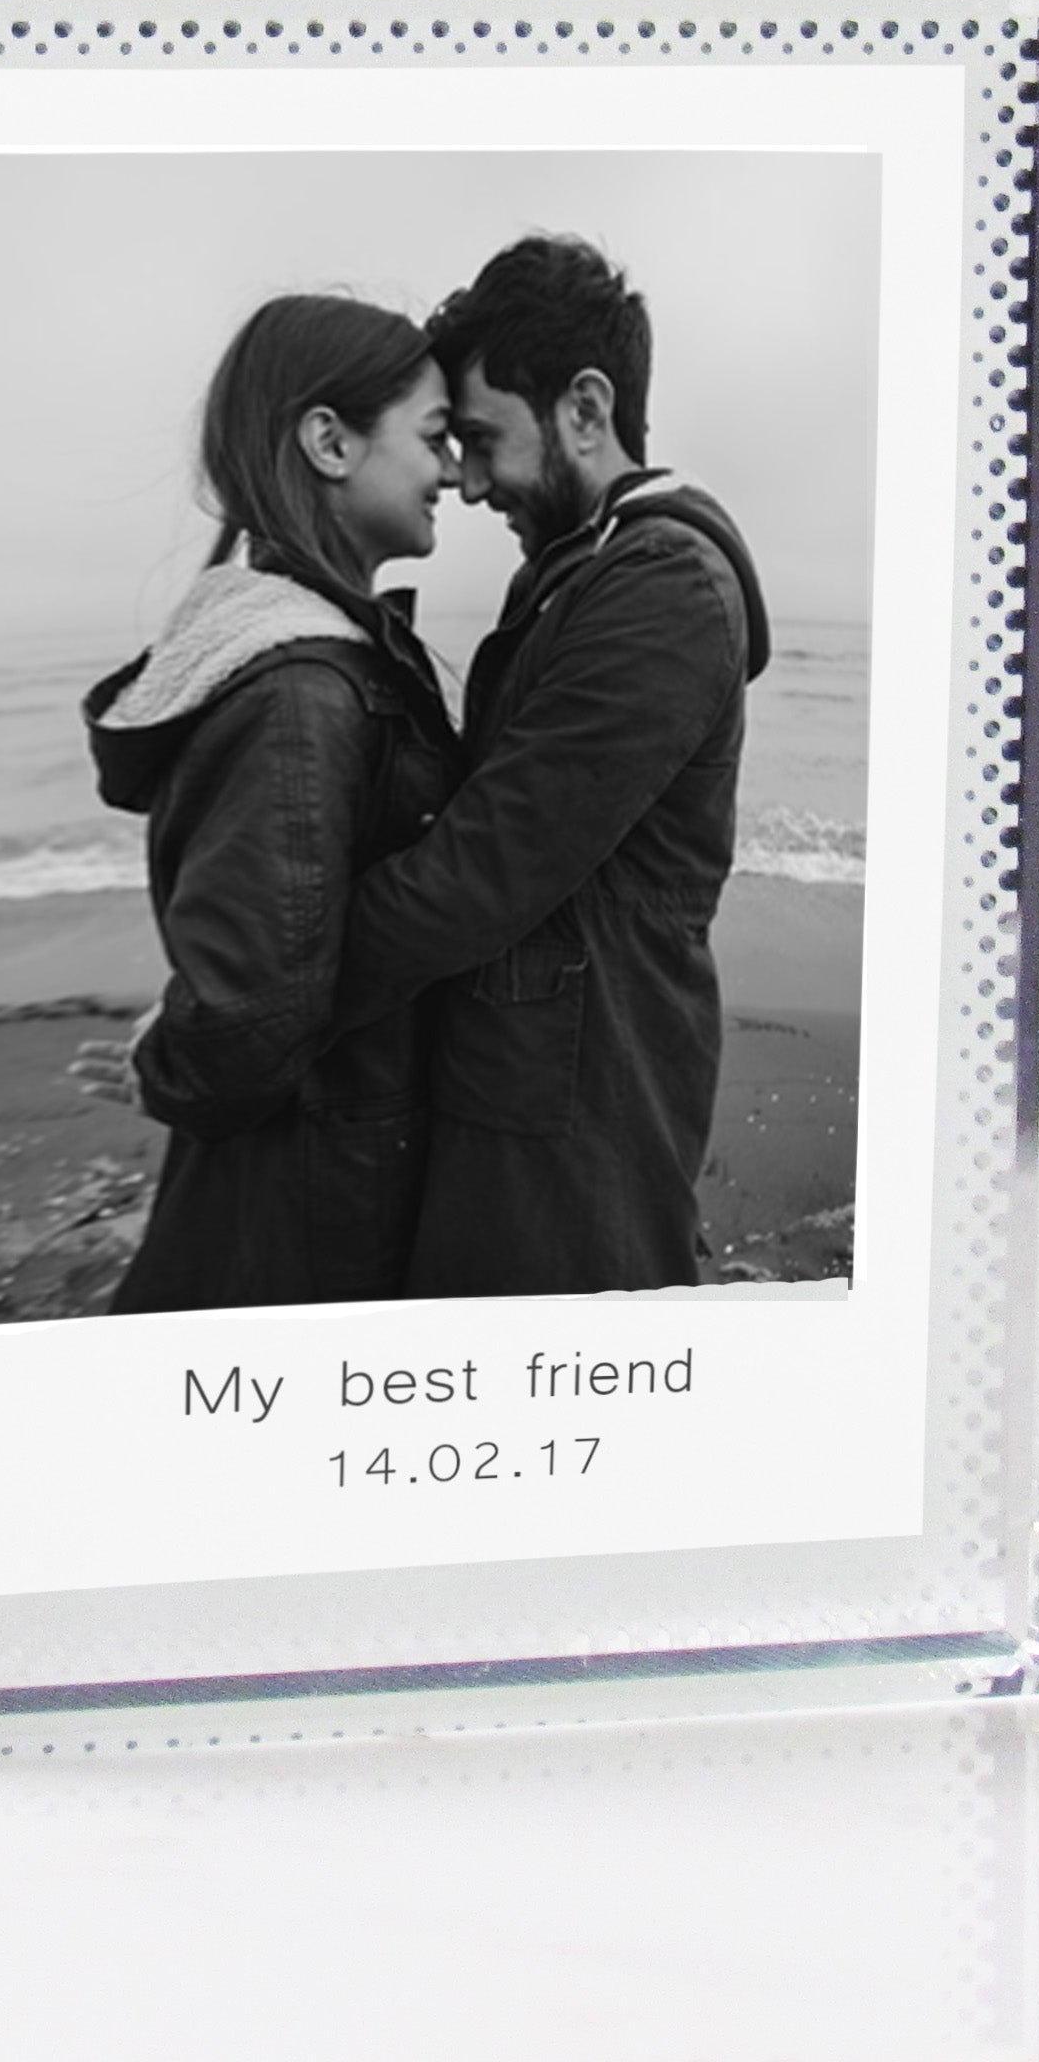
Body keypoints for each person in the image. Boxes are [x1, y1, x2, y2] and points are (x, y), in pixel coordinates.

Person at [340, 237, 770, 1295]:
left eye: (484, 439)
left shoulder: (660, 583)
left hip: (580, 1121)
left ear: (586, 408)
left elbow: (483, 872)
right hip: (534, 1089)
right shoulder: (586, 571)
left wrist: (257, 993)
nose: (469, 481)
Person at [84, 296, 461, 1314]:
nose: (457, 474)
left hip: (311, 1170)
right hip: (317, 1200)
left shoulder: (309, 664)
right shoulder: (299, 692)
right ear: (330, 441)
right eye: (434, 439)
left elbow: (260, 955)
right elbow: (249, 1015)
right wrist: (166, 1065)